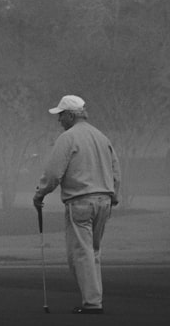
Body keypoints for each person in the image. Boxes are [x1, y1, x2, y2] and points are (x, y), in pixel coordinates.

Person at [33, 95, 121, 314]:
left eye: (61, 115)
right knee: (93, 251)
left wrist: (40, 193)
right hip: (104, 200)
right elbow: (116, 170)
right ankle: (94, 299)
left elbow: (54, 173)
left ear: (71, 115)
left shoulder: (68, 138)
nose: (59, 120)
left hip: (80, 201)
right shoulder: (101, 137)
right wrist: (114, 196)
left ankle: (92, 303)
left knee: (80, 254)